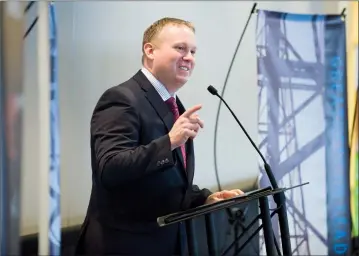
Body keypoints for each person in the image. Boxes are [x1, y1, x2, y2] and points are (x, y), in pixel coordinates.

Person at [75, 17, 244, 255]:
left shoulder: (172, 103)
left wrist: (204, 198)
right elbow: (110, 169)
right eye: (180, 48)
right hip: (124, 245)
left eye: (193, 51)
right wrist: (170, 141)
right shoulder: (122, 98)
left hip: (165, 242)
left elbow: (162, 180)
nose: (189, 57)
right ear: (150, 50)